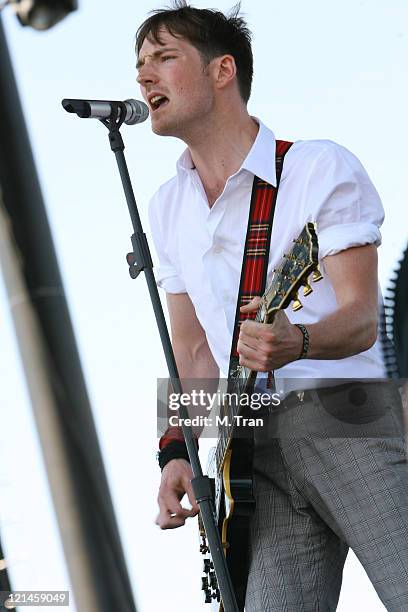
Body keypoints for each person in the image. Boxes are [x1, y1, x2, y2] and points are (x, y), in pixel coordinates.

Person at [135, 2, 408, 610]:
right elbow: (193, 347)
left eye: (164, 57)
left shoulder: (316, 166)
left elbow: (364, 316)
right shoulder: (166, 207)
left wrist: (300, 342)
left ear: (222, 70)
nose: (144, 75)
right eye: (140, 64)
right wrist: (176, 446)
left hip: (344, 414)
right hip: (250, 442)